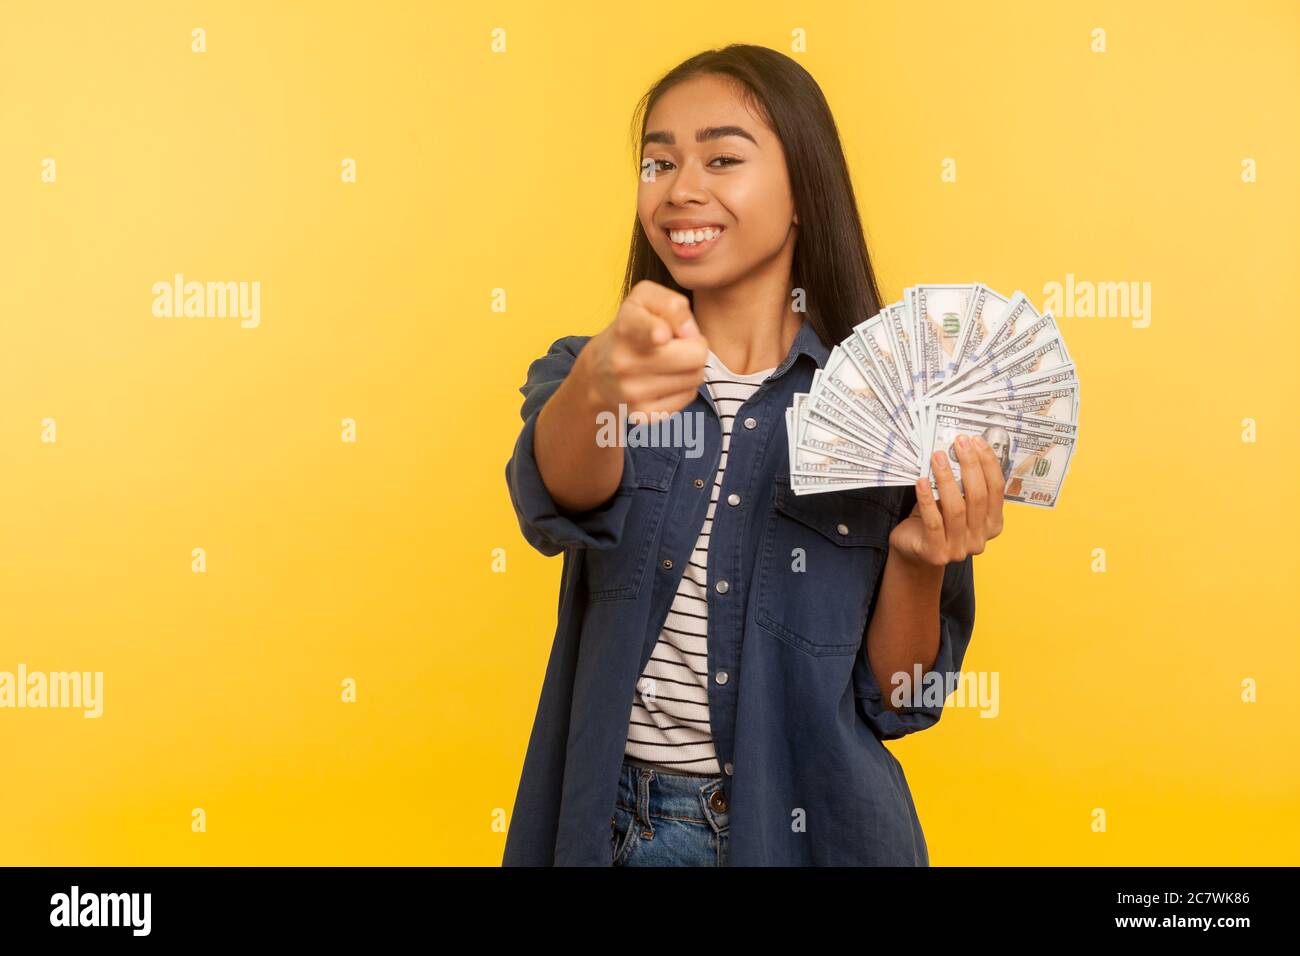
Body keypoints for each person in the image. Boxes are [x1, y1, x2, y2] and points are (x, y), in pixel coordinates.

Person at [502, 44, 1004, 866]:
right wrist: (598, 382)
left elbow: (898, 700)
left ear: (804, 190)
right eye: (657, 162)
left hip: (815, 830)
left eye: (722, 158)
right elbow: (557, 499)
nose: (680, 187)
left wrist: (920, 559)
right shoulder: (588, 373)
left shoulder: (893, 406)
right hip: (618, 831)